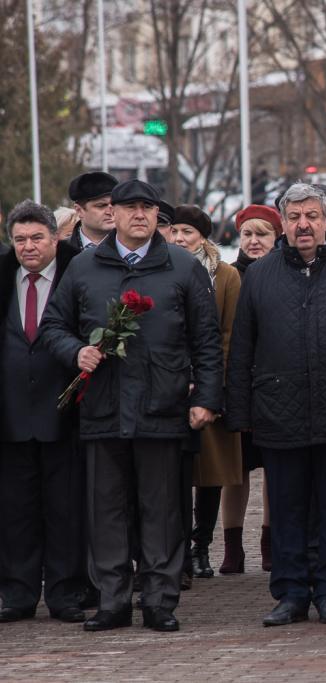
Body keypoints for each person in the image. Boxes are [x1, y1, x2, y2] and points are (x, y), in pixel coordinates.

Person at [41, 179, 222, 632]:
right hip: (102, 410)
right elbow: (54, 326)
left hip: (162, 408)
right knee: (107, 512)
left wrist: (207, 399)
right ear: (113, 214)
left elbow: (207, 341)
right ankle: (113, 601)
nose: (139, 214)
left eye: (148, 207)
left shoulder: (181, 267)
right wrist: (76, 351)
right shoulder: (84, 267)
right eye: (130, 207)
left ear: (158, 216)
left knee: (161, 511)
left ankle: (160, 601)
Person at [226, 184, 326, 627]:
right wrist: (240, 415)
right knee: (287, 508)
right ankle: (291, 593)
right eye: (294, 216)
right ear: (283, 222)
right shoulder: (259, 275)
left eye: (312, 215)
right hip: (279, 410)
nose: (303, 225)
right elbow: (242, 349)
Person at [0, 201, 86, 623]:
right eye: (20, 240)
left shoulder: (77, 276)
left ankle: (65, 593)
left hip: (64, 414)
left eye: (37, 238)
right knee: (15, 513)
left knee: (65, 510)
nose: (28, 247)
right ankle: (17, 594)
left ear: (55, 238)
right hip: (11, 417)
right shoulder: (4, 278)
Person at [168, 206, 243, 581]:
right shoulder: (160, 268)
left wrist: (212, 382)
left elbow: (230, 334)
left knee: (210, 475)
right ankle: (177, 548)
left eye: (188, 232)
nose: (180, 238)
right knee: (175, 473)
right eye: (174, 230)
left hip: (211, 387)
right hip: (171, 386)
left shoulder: (226, 275)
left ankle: (201, 546)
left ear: (203, 237)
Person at [221, 204, 281, 573]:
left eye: (263, 234)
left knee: (273, 468)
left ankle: (269, 543)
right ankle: (231, 546)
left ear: (277, 238)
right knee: (235, 470)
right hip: (238, 384)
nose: (255, 241)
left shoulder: (281, 274)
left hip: (273, 384)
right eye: (248, 234)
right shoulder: (229, 276)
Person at [66, 171, 118, 251]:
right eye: (101, 206)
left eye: (114, 204)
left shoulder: (133, 248)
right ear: (79, 210)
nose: (110, 212)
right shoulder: (60, 251)